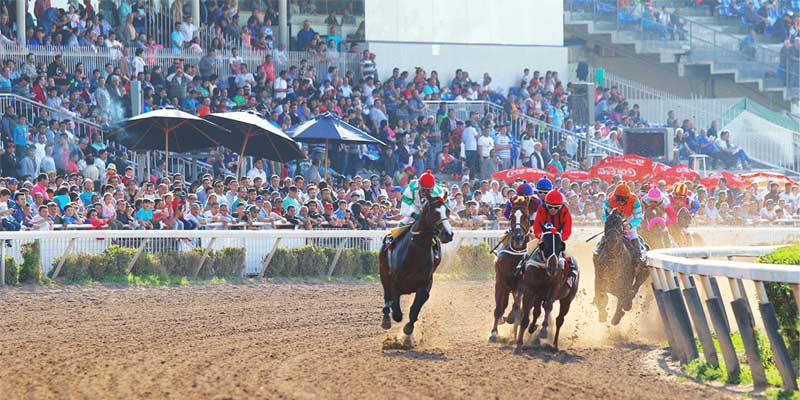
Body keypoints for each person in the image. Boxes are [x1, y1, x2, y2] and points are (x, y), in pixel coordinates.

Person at [387, 169, 445, 258]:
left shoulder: (438, 193)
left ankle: (435, 246)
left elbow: (438, 211)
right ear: (419, 185)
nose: (426, 193)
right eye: (424, 189)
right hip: (414, 207)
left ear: (433, 188)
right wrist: (414, 215)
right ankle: (392, 239)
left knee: (436, 226)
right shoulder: (411, 187)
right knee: (404, 221)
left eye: (428, 190)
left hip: (430, 211)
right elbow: (404, 209)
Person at [529, 190, 576, 287]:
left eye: (556, 208)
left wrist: (560, 238)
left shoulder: (565, 211)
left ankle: (570, 275)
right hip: (543, 238)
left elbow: (567, 230)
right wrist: (541, 236)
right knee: (528, 250)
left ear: (561, 206)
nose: (553, 210)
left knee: (568, 256)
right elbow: (537, 227)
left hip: (559, 239)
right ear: (546, 204)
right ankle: (521, 268)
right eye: (550, 207)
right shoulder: (541, 209)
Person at [597, 182, 645, 262]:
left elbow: (638, 217)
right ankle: (598, 251)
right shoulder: (609, 200)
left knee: (633, 234)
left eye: (623, 200)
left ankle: (638, 256)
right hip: (613, 218)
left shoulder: (635, 201)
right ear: (615, 196)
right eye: (618, 199)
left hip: (629, 218)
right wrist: (610, 224)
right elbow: (604, 216)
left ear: (628, 198)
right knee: (608, 234)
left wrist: (630, 225)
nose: (620, 202)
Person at [495, 181, 539, 254]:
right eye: (522, 197)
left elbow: (539, 214)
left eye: (527, 197)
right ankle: (499, 251)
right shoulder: (512, 200)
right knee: (506, 235)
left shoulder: (536, 201)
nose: (524, 199)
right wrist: (512, 218)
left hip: (532, 222)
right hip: (517, 223)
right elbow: (506, 213)